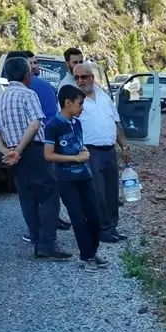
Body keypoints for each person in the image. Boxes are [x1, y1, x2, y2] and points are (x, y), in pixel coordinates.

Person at [0, 56, 72, 261]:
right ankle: (47, 243)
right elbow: (35, 124)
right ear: (27, 76)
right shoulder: (28, 95)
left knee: (27, 198)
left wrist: (8, 153)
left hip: (13, 155)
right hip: (33, 150)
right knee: (48, 195)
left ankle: (36, 239)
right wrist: (19, 149)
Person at [44, 85, 106, 271]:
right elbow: (49, 155)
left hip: (84, 175)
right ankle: (86, 257)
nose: (82, 108)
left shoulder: (76, 123)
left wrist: (84, 150)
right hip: (66, 178)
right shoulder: (53, 126)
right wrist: (74, 158)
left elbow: (79, 144)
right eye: (80, 104)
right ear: (67, 103)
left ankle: (93, 252)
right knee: (78, 218)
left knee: (94, 215)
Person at [71, 60, 130, 243]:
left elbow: (116, 122)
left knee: (112, 192)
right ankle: (102, 230)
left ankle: (112, 227)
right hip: (90, 152)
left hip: (109, 151)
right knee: (97, 193)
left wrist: (125, 146)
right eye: (77, 77)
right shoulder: (74, 99)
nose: (80, 81)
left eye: (84, 77)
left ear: (92, 77)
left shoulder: (103, 96)